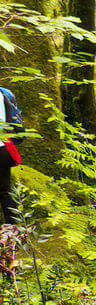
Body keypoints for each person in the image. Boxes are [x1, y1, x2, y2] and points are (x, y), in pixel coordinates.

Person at [0, 85, 25, 225]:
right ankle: (12, 228)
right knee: (4, 190)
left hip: (2, 148)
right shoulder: (3, 94)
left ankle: (12, 229)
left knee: (4, 190)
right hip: (4, 148)